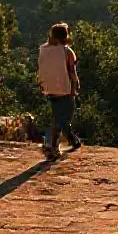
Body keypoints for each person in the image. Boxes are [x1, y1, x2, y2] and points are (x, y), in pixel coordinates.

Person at [37, 22, 82, 159]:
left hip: (50, 88)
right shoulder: (67, 51)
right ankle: (50, 144)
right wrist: (76, 85)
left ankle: (74, 141)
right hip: (64, 88)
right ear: (65, 35)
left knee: (60, 117)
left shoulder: (44, 49)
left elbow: (41, 68)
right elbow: (72, 72)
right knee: (64, 117)